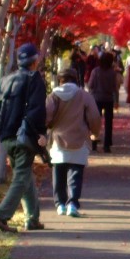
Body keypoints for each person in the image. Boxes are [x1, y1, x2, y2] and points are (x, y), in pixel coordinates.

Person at [0, 42, 48, 233]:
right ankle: (0, 216)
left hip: (6, 135)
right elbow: (37, 110)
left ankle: (32, 218)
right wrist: (41, 134)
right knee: (21, 177)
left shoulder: (6, 79)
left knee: (25, 175)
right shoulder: (35, 80)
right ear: (35, 61)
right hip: (24, 135)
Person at [47, 69, 101, 217]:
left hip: (58, 140)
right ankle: (72, 203)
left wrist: (48, 127)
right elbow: (95, 116)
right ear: (75, 79)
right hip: (80, 139)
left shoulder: (53, 96)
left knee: (58, 172)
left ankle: (60, 204)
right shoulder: (84, 96)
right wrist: (95, 132)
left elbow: (47, 116)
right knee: (75, 173)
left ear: (60, 80)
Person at [87, 52, 118, 152]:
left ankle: (94, 143)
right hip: (108, 99)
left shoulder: (96, 71)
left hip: (96, 99)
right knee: (108, 123)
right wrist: (116, 101)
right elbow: (115, 88)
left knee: (95, 122)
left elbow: (90, 85)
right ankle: (107, 145)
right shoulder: (112, 72)